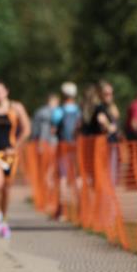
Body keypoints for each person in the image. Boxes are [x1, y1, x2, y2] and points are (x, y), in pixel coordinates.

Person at [0, 80, 31, 239]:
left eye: (0, 91)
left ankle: (4, 218)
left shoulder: (16, 108)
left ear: (6, 91)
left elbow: (26, 129)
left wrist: (16, 146)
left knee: (7, 188)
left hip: (10, 154)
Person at [55, 82, 81, 219]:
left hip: (63, 147)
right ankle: (80, 208)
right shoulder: (79, 111)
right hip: (77, 147)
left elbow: (54, 126)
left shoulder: (59, 111)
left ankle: (63, 210)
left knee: (63, 178)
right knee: (77, 177)